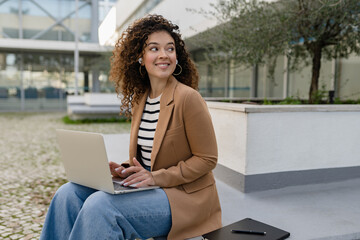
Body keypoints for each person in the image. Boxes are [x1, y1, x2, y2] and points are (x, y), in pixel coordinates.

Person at [40, 14, 221, 240]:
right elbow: (150, 157)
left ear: (177, 56)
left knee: (101, 207)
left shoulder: (188, 98)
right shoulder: (140, 100)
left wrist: (156, 178)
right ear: (140, 57)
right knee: (68, 193)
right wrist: (124, 170)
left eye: (170, 49)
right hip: (150, 189)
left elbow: (207, 159)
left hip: (184, 199)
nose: (164, 55)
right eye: (154, 49)